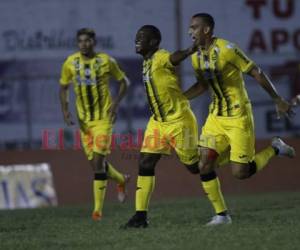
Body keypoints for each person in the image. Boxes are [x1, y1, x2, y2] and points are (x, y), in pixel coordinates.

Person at [184, 13, 296, 225]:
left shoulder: (227, 50)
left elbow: (257, 72)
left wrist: (277, 99)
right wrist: (179, 98)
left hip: (238, 116)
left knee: (241, 173)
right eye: (190, 28)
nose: (190, 32)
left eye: (194, 27)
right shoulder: (195, 56)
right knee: (204, 164)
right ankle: (221, 215)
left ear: (207, 30)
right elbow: (202, 85)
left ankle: (275, 148)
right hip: (215, 118)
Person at [122, 25, 201, 228]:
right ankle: (140, 217)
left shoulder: (159, 56)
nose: (137, 40)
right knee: (145, 162)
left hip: (178, 120)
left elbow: (174, 58)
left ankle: (228, 156)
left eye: (142, 37)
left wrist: (190, 50)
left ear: (154, 42)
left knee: (195, 168)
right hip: (158, 122)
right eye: (136, 37)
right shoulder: (147, 62)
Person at [59, 28, 130, 221]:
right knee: (96, 166)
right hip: (84, 123)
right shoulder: (71, 63)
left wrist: (114, 105)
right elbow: (64, 87)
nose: (84, 44)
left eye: (87, 41)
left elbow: (125, 83)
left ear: (94, 42)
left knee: (98, 164)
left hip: (103, 120)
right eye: (80, 41)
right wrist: (65, 110)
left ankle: (97, 211)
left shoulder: (106, 61)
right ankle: (122, 179)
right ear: (77, 43)